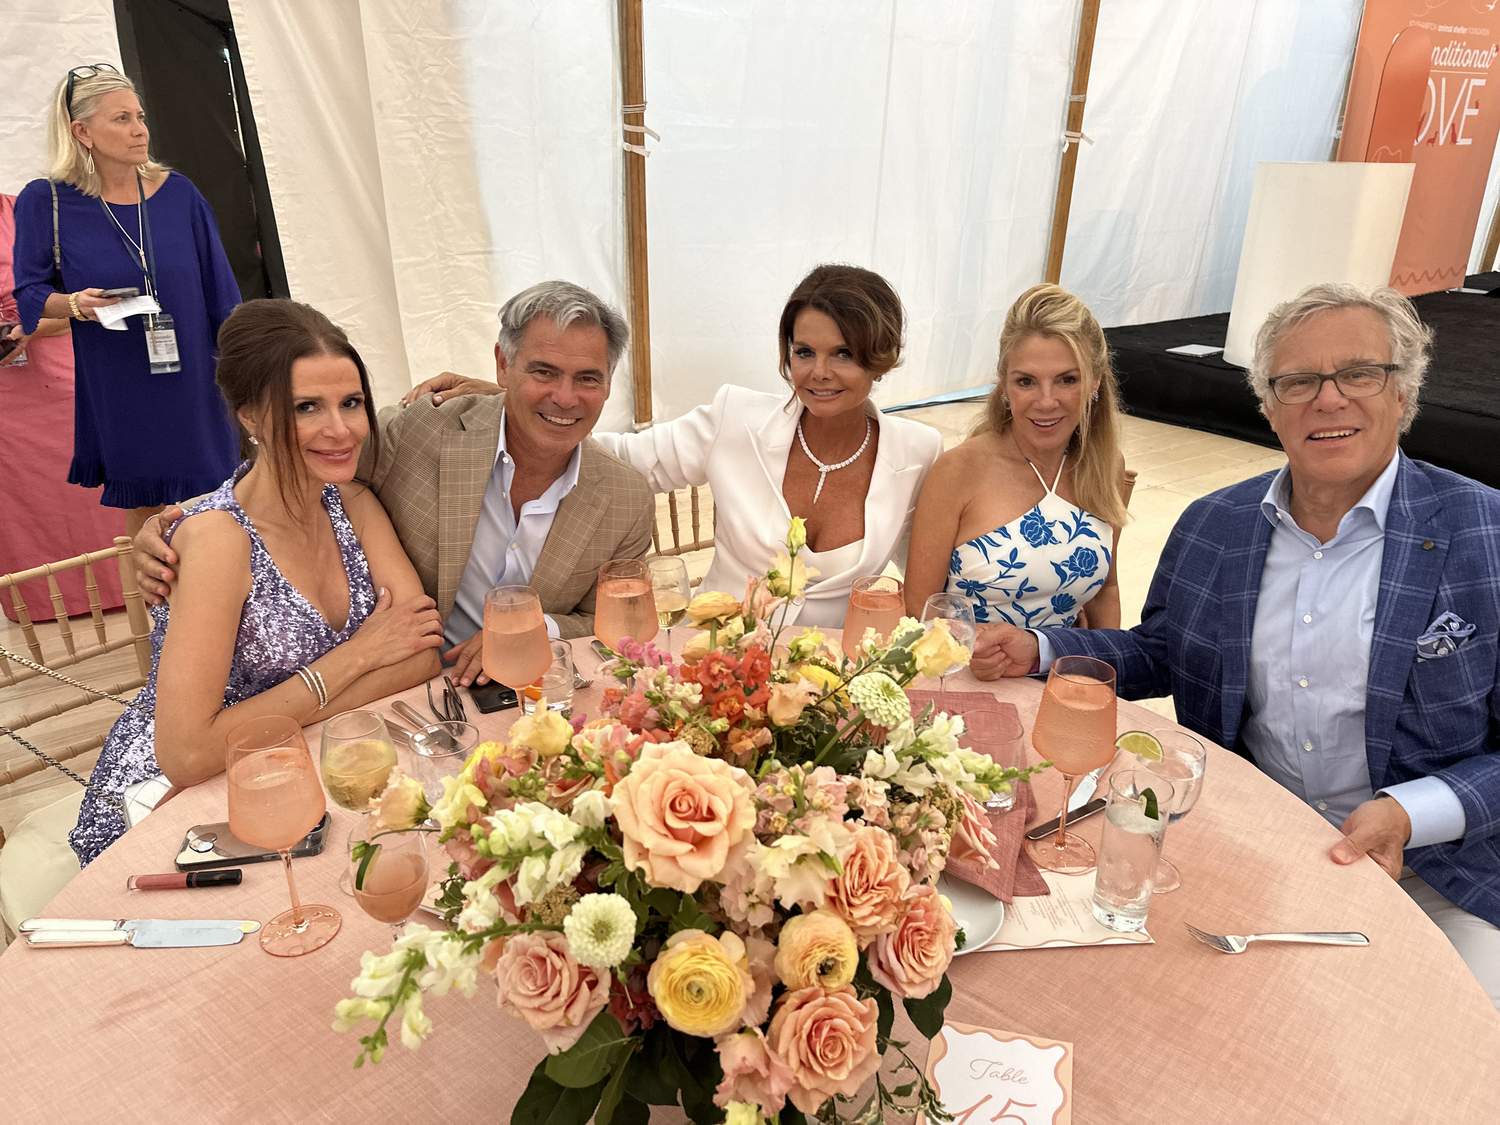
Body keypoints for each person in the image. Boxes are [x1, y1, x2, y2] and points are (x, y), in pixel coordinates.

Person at [974, 283, 1500, 1010]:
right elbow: (1160, 649)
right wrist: (1035, 646)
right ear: (1268, 404)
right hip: (1254, 849)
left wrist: (1411, 812)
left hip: (1441, 873)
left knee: (1462, 1047)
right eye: (1298, 381)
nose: (1328, 399)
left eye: (1358, 374)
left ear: (1403, 392)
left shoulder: (1486, 533)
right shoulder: (1215, 526)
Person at [135, 281, 656, 685]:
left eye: (587, 378)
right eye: (542, 372)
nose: (565, 397)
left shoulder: (626, 498)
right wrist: (186, 522)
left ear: (610, 383)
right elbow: (298, 462)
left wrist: (537, 628)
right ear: (502, 364)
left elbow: (617, 621)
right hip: (410, 692)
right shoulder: (422, 432)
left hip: (535, 691)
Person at [71, 299, 444, 865]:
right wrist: (362, 656)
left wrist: (262, 721)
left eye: (351, 403)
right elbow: (189, 753)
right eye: (306, 408)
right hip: (182, 804)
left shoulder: (355, 505)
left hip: (316, 762)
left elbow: (421, 654)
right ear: (250, 417)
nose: (339, 429)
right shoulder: (220, 540)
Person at [405, 264, 945, 628]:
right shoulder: (735, 417)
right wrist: (509, 402)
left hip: (835, 683)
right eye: (804, 351)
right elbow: (618, 457)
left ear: (883, 355)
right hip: (710, 661)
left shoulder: (919, 452)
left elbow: (923, 587)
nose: (819, 373)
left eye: (845, 354)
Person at [11, 64, 241, 540]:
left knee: (224, 499)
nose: (140, 130)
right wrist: (74, 304)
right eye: (121, 119)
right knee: (147, 507)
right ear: (82, 132)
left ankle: (226, 604)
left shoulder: (180, 194)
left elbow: (223, 293)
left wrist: (246, 370)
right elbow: (30, 292)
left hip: (196, 371)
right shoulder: (46, 201)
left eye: (140, 116)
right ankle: (158, 614)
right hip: (119, 376)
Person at [904, 284, 1127, 628]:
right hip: (969, 672)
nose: (1046, 401)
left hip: (1059, 671)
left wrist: (1098, 674)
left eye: (1067, 379)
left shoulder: (1105, 466)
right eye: (1026, 382)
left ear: (1095, 381)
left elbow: (1104, 591)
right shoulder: (959, 470)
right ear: (1005, 385)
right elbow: (920, 608)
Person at [1, 191, 126, 618]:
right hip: (6, 400)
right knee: (19, 495)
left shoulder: (27, 211)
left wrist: (34, 326)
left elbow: (92, 294)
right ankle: (37, 603)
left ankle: (128, 584)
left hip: (61, 366)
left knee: (94, 477)